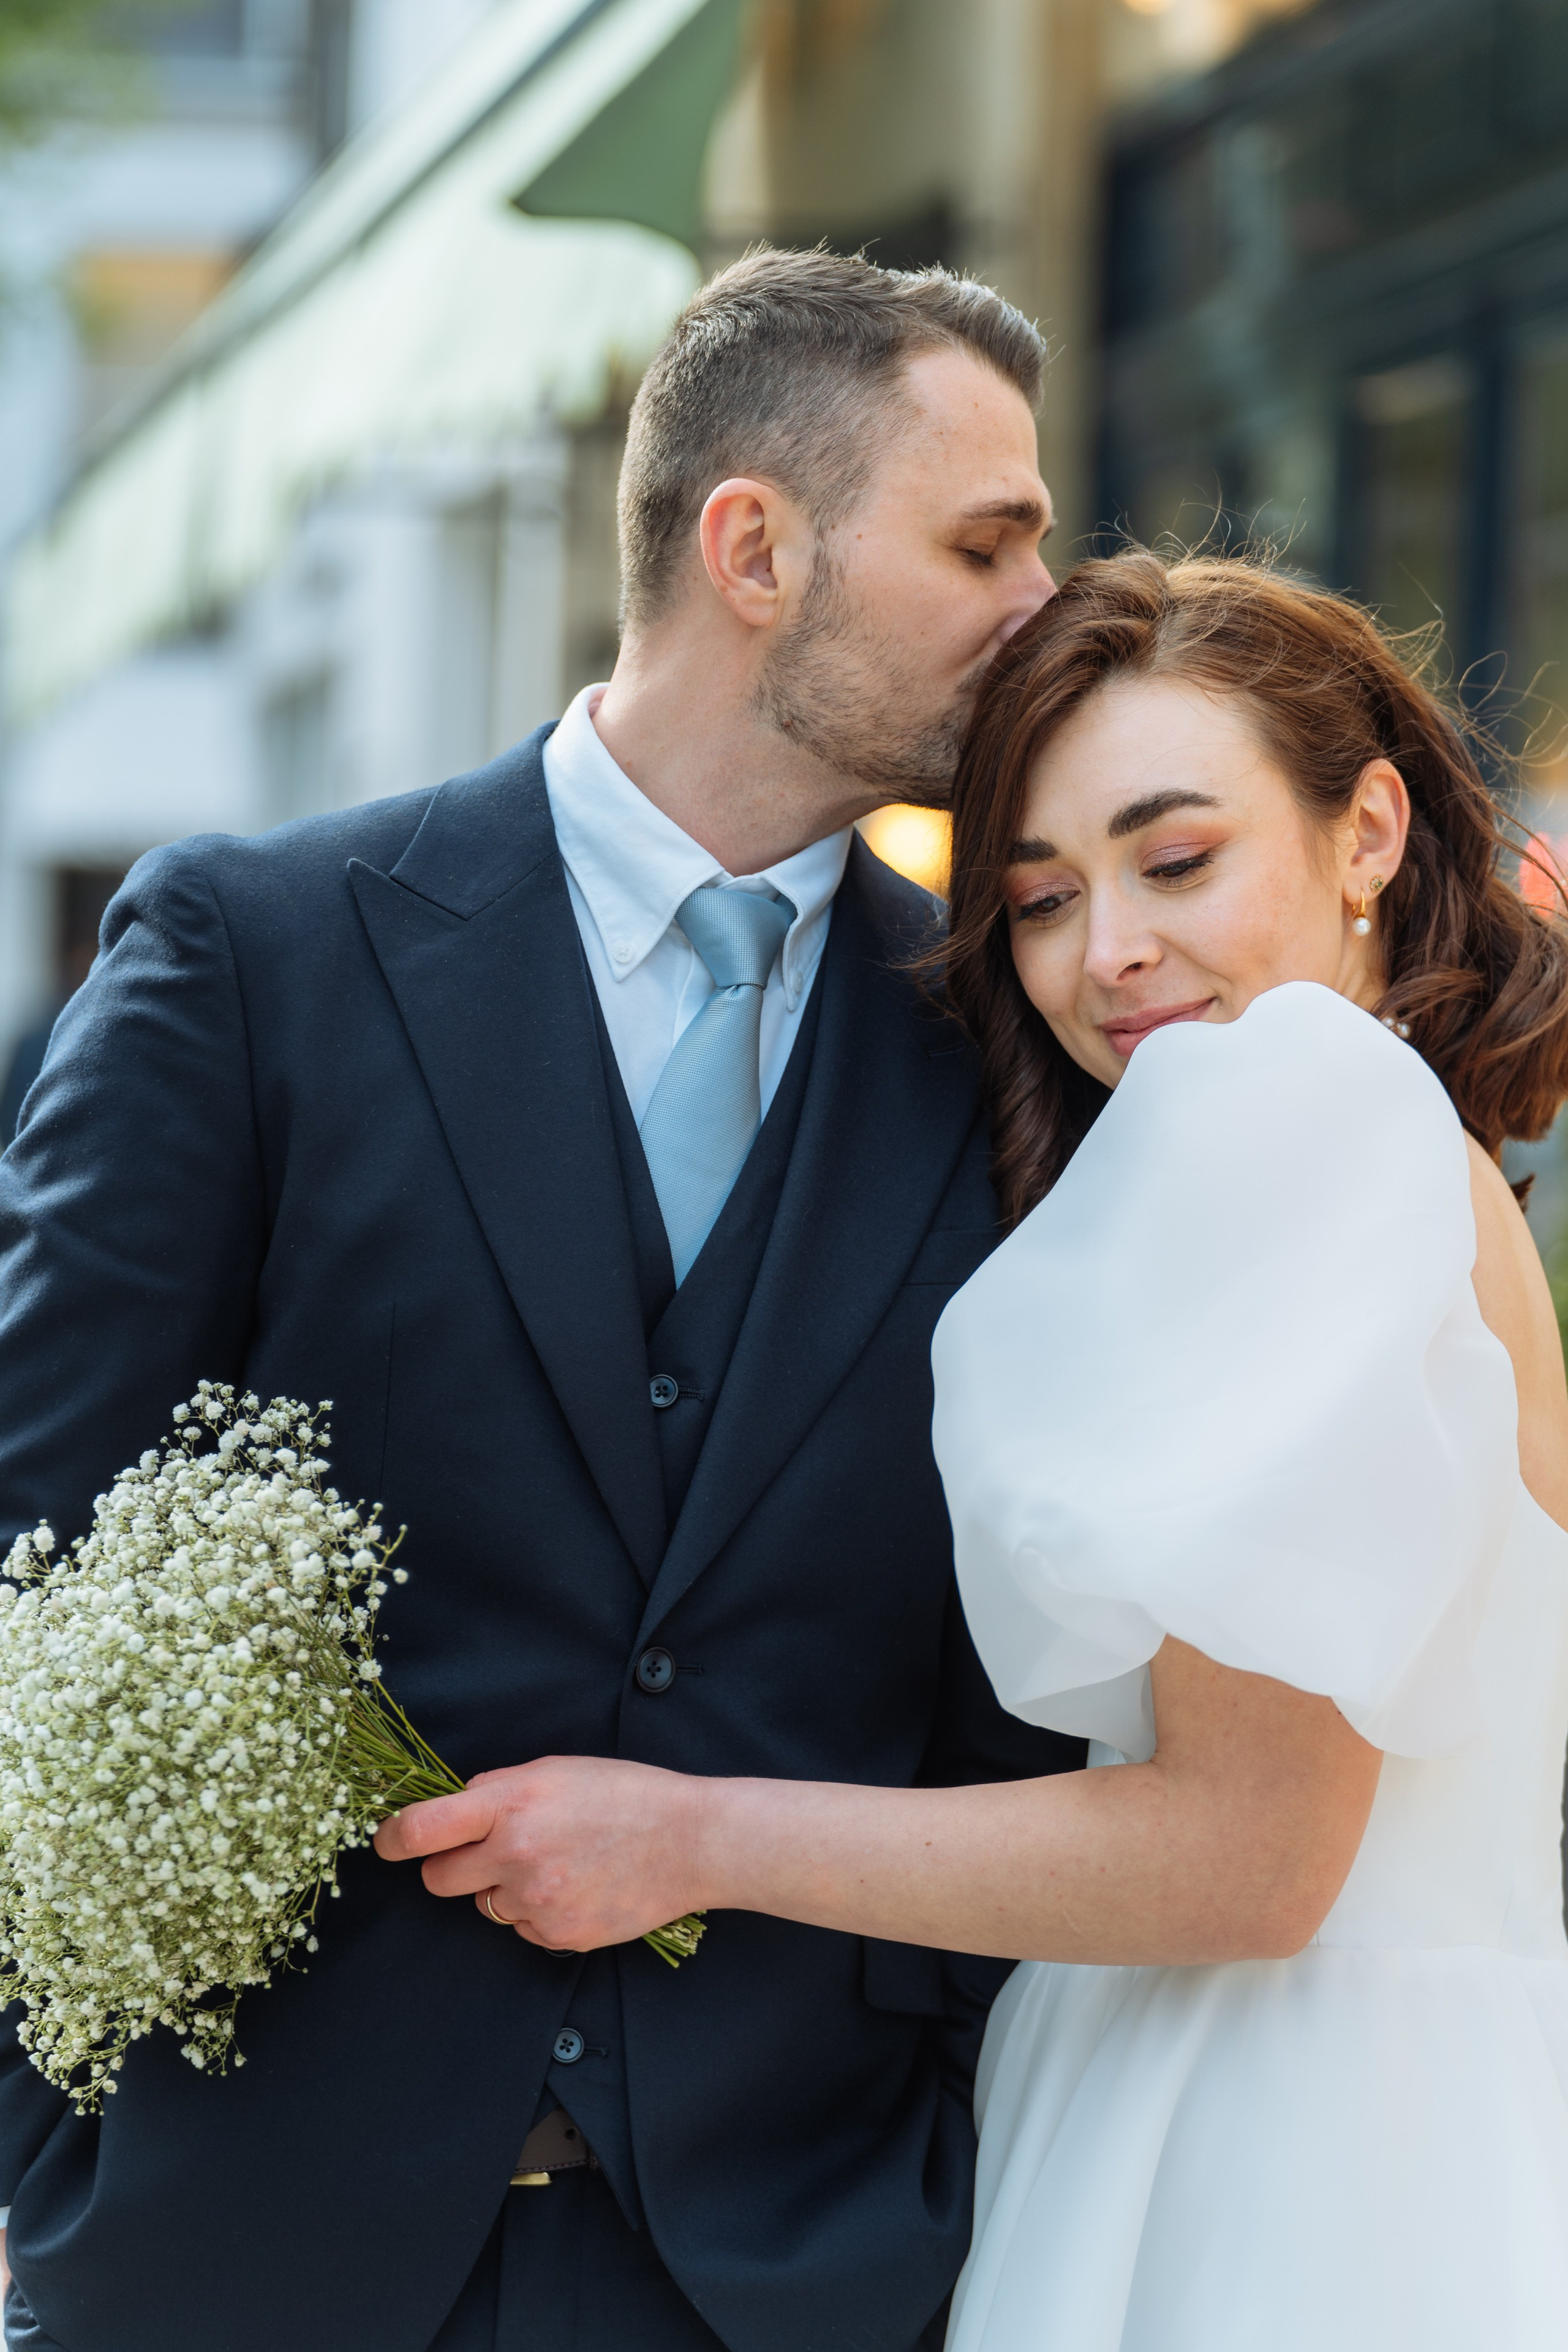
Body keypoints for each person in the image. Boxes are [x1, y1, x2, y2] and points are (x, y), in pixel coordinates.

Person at [0, 249, 1082, 2352]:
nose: (1043, 602)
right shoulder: (259, 954)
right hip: (243, 2251)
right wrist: (56, 2160)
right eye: (985, 541)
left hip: (792, 2266)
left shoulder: (996, 1050)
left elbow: (1007, 1679)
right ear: (751, 545)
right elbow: (28, 1566)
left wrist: (930, 2163)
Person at [398, 549, 1568, 2347]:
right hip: (1415, 2107)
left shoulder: (1298, 1109)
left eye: (1178, 861)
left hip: (1270, 2143)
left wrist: (687, 1834)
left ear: (1369, 832)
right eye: (1037, 898)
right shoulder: (1427, 1161)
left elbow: (1246, 1860)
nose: (1108, 956)